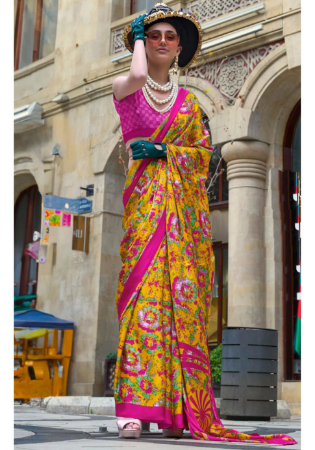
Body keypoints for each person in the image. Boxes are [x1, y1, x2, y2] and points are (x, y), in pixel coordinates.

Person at [112, 3, 297, 446]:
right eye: (153, 35)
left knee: (179, 313)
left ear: (179, 48)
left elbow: (200, 158)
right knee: (143, 307)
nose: (161, 42)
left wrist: (168, 154)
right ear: (142, 42)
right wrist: (136, 35)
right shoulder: (126, 88)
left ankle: (174, 409)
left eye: (169, 37)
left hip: (180, 221)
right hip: (145, 214)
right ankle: (134, 412)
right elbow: (138, 77)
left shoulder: (189, 104)